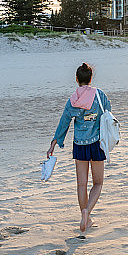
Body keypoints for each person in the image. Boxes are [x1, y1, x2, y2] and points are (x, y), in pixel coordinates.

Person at [47, 63, 112, 232]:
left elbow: (64, 122)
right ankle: (87, 212)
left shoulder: (73, 100)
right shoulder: (100, 95)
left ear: (76, 79)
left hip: (79, 145)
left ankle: (85, 217)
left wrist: (55, 142)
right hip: (97, 144)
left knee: (81, 185)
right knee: (98, 183)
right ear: (91, 78)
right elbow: (109, 112)